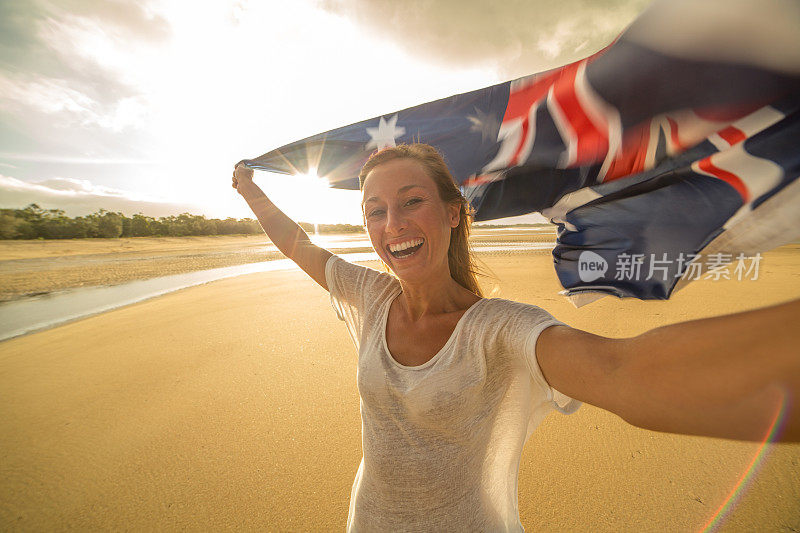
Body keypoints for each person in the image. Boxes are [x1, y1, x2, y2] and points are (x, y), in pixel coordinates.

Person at [232, 143, 799, 531]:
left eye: (412, 202)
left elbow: (624, 374)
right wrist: (250, 192)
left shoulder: (500, 330)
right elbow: (300, 246)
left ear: (455, 215)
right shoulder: (372, 298)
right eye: (374, 212)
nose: (392, 225)